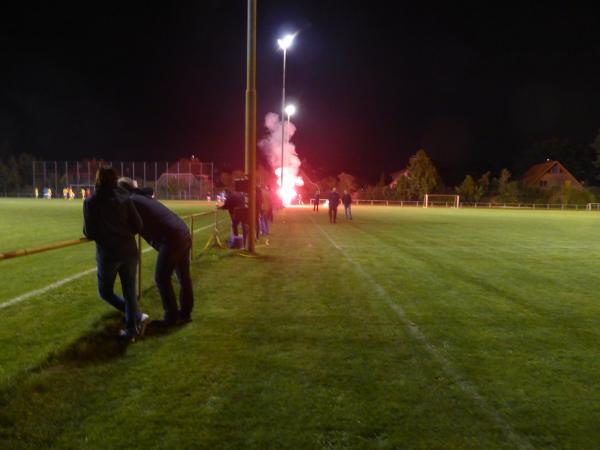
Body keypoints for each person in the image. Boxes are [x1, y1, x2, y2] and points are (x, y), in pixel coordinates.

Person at [118, 177, 194, 326]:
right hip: (182, 231)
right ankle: (185, 314)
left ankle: (171, 318)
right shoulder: (141, 197)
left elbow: (130, 225)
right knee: (183, 277)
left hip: (172, 238)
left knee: (161, 278)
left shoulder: (131, 201)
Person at [83, 167, 147, 342]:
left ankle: (134, 318)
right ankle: (133, 325)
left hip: (109, 254)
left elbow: (89, 232)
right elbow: (138, 225)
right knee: (130, 292)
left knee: (105, 291)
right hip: (129, 251)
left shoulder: (91, 202)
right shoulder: (125, 199)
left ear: (98, 180)